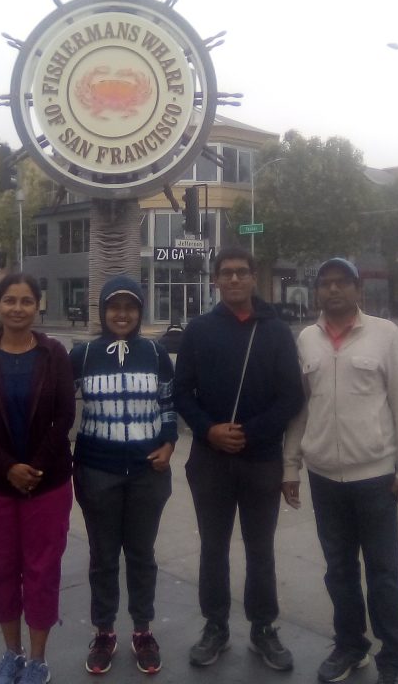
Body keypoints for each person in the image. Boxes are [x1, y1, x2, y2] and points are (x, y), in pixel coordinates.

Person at [282, 258, 398, 684]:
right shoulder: (307, 339)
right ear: (317, 292)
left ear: (357, 289)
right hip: (324, 478)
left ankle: (395, 659)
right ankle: (350, 646)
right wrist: (290, 466)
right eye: (325, 284)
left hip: (376, 478)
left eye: (341, 283)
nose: (332, 291)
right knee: (339, 570)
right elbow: (301, 410)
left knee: (383, 573)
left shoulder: (385, 335)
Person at [173, 246, 304, 671]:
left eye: (241, 272)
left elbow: (292, 396)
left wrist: (250, 433)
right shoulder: (198, 331)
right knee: (213, 548)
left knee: (260, 549)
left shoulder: (277, 332)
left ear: (253, 278)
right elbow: (181, 393)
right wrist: (210, 430)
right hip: (210, 460)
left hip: (261, 458)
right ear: (215, 281)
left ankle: (263, 628)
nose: (233, 280)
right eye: (226, 273)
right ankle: (215, 626)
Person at [0, 273, 76, 684]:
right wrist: (7, 467)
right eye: (10, 300)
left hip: (49, 485)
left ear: (37, 307)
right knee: (2, 570)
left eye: (26, 301)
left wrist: (34, 469)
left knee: (43, 570)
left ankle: (38, 661)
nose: (18, 308)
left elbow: (64, 417)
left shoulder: (53, 353)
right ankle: (12, 654)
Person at [70, 276, 177, 676]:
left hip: (148, 473)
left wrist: (168, 444)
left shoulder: (154, 352)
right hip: (97, 472)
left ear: (140, 312)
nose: (121, 314)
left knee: (142, 555)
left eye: (130, 307)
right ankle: (104, 631)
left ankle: (143, 630)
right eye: (114, 306)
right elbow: (57, 404)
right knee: (102, 558)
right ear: (102, 311)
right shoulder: (82, 355)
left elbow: (168, 404)